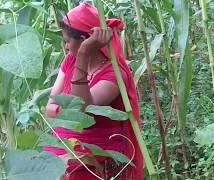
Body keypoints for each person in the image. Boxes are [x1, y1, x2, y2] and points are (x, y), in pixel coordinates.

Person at [45, 2, 143, 180]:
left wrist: (83, 55)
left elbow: (82, 110)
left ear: (85, 42)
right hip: (65, 144)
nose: (66, 47)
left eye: (68, 42)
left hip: (98, 151)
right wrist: (67, 113)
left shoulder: (115, 74)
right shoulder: (69, 61)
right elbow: (49, 109)